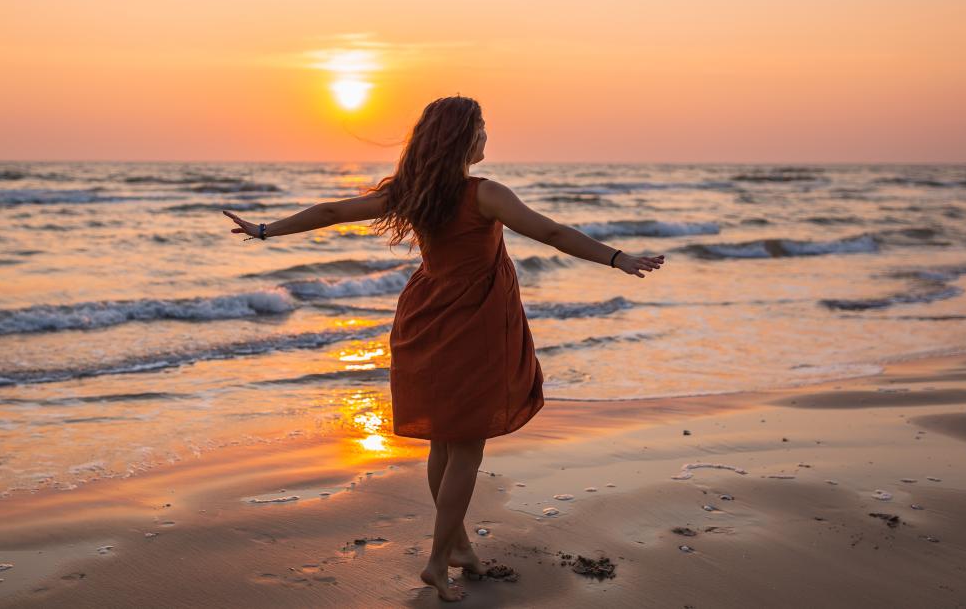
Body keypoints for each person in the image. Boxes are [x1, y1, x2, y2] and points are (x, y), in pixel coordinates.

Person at [222, 95, 665, 602]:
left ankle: (459, 549)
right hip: (473, 325)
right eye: (481, 128)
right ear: (465, 138)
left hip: (424, 317)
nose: (486, 136)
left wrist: (264, 229)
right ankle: (436, 562)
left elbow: (332, 211)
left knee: (444, 441)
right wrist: (615, 257)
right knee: (467, 446)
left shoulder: (410, 194)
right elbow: (551, 232)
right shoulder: (484, 194)